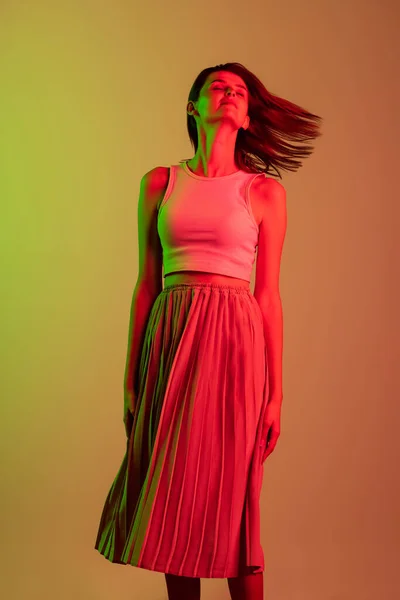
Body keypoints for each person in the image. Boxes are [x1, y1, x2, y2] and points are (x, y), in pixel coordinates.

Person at [94, 62, 322, 600]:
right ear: (193, 107)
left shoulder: (264, 193)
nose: (229, 94)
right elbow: (146, 283)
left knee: (234, 498)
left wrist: (276, 396)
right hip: (170, 339)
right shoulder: (160, 182)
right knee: (176, 499)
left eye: (239, 91)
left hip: (234, 342)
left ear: (246, 117)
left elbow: (268, 296)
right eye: (217, 87)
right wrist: (130, 378)